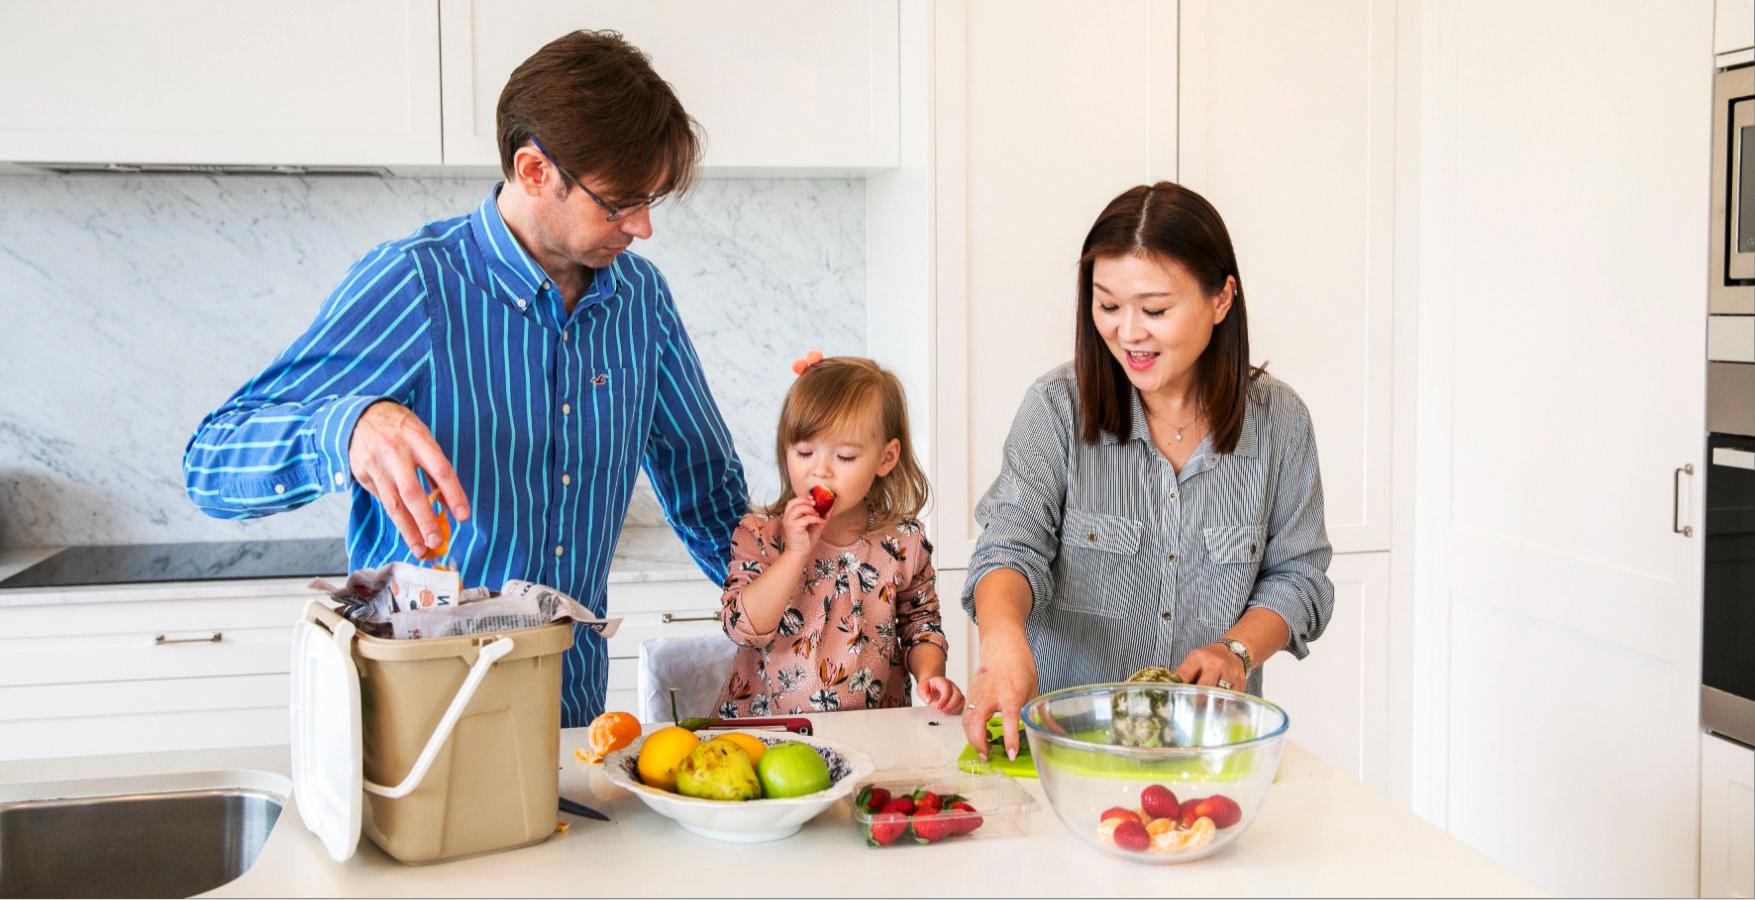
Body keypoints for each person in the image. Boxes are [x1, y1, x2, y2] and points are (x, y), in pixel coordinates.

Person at [182, 31, 747, 727]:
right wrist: (347, 427)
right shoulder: (416, 283)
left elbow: (709, 494)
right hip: (418, 724)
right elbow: (209, 463)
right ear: (534, 169)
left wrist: (808, 605)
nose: (641, 227)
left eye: (651, 200)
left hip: (569, 719)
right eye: (618, 202)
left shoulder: (639, 298)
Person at [960, 182, 1334, 759]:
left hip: (1210, 750)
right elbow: (1010, 548)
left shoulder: (1281, 423)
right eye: (1108, 305)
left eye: (1154, 310)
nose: (1128, 332)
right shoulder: (1058, 407)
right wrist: (1003, 643)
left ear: (1221, 299)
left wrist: (1234, 650)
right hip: (1069, 749)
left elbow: (1299, 579)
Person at [714, 354, 964, 717]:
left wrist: (931, 676)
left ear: (885, 458)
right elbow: (742, 628)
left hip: (873, 733)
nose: (821, 470)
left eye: (845, 456)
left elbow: (921, 625)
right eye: (804, 452)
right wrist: (794, 555)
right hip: (770, 735)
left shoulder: (903, 542)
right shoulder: (762, 534)